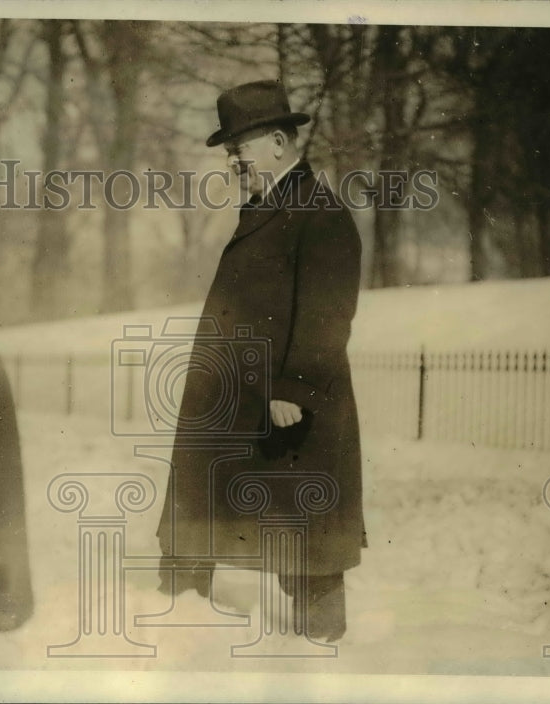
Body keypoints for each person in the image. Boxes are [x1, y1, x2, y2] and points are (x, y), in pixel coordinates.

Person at [155, 79, 366, 642]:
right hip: (234, 402)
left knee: (309, 544)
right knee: (195, 521)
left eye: (239, 148)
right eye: (229, 151)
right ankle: (176, 638)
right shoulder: (268, 209)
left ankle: (324, 658)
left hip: (287, 407)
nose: (233, 161)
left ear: (277, 141)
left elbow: (328, 314)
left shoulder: (318, 212)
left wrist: (295, 388)